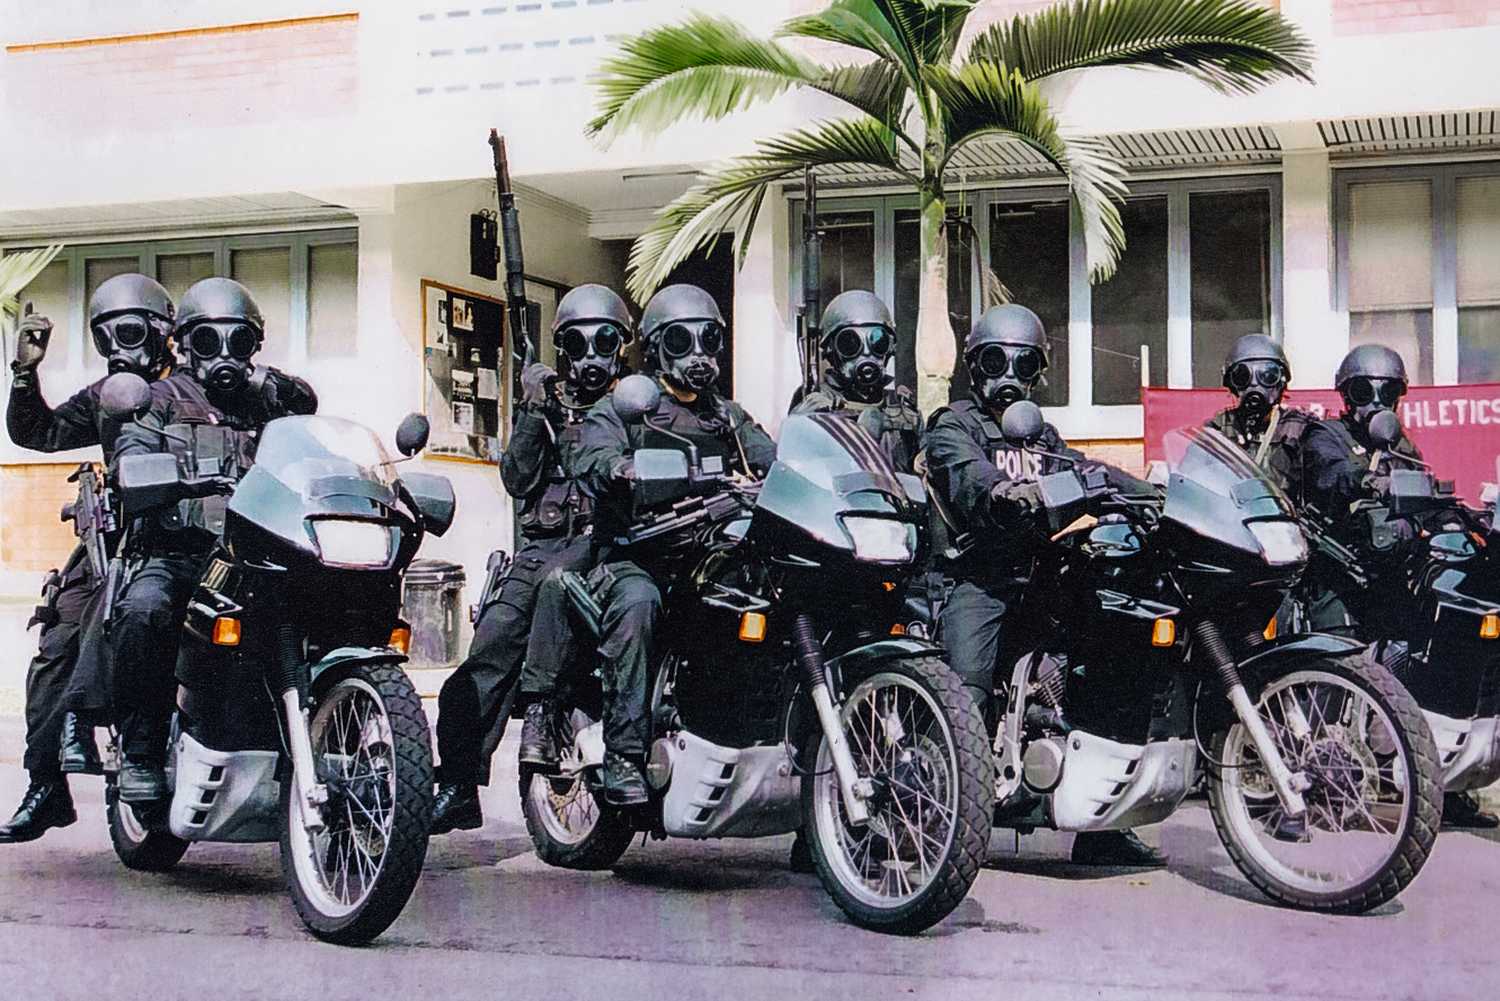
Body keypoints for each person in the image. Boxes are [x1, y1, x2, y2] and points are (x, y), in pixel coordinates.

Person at [924, 303, 1166, 868]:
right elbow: (970, 480)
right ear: (974, 367)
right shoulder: (953, 426)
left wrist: (1152, 494)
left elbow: (1081, 469)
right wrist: (1005, 493)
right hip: (977, 576)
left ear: (1038, 373)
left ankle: (1101, 824)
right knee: (966, 688)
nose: (1008, 375)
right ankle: (942, 814)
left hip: (1040, 574)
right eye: (995, 361)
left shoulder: (1041, 434)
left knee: (1111, 649)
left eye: (1023, 363)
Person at [103, 277, 317, 803]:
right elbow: (130, 458)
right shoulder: (158, 399)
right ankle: (140, 750)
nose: (223, 353)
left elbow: (311, 419)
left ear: (254, 346)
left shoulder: (267, 402)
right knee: (144, 610)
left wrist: (270, 382)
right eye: (207, 339)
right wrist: (149, 474)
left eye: (237, 340)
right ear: (183, 344)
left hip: (257, 554)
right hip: (180, 552)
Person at [430, 284, 633, 834]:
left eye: (604, 342)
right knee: (487, 653)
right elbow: (517, 479)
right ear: (563, 349)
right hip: (542, 549)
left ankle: (556, 719)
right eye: (577, 344)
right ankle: (459, 783)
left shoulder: (634, 403)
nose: (591, 356)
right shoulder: (547, 406)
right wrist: (532, 408)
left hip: (607, 547)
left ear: (622, 346)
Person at [573, 284, 776, 805]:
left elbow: (774, 458)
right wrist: (621, 469)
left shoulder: (727, 417)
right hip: (637, 555)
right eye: (682, 342)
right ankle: (623, 754)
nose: (699, 354)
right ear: (657, 349)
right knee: (637, 604)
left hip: (709, 551)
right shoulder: (624, 408)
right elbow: (592, 458)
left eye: (708, 340)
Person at [0, 275, 177, 842]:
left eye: (131, 331)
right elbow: (40, 432)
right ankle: (46, 784)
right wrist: (24, 373)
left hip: (195, 535)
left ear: (164, 331)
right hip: (119, 535)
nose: (120, 346)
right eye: (107, 336)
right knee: (58, 641)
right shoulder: (106, 395)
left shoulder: (200, 384)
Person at [1300, 344, 1497, 829]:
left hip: (1391, 580)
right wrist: (1370, 479)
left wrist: (1456, 516)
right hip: (1337, 579)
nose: (1375, 401)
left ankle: (1431, 783)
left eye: (1386, 391)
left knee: (1420, 671)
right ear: (1345, 395)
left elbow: (1424, 495)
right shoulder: (1325, 436)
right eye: (1362, 390)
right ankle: (1309, 789)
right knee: (1333, 677)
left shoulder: (1402, 447)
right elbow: (1331, 478)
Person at [790, 290, 922, 474]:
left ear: (890, 348)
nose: (866, 353)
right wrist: (799, 424)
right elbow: (792, 466)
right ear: (831, 350)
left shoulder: (904, 412)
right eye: (850, 344)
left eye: (878, 342)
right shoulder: (815, 405)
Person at [1204, 334, 1309, 500]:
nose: (1254, 384)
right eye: (1242, 376)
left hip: (1285, 515)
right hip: (1230, 514)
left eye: (1268, 375)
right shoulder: (1217, 431)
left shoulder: (1301, 429)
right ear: (1232, 383)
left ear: (1281, 381)